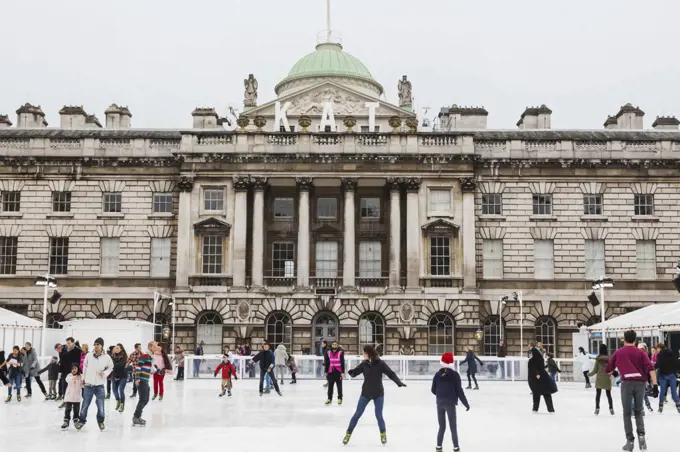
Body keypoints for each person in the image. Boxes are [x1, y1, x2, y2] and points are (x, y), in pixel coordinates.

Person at [605, 329, 658, 452]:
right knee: (639, 411)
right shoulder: (641, 353)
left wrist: (614, 374)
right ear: (635, 340)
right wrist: (655, 385)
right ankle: (641, 436)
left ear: (624, 339)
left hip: (627, 384)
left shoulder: (618, 353)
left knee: (627, 413)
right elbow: (651, 368)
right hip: (640, 384)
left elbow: (608, 369)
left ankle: (630, 441)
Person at [343, 345, 406, 446]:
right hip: (366, 393)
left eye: (364, 353)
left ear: (368, 353)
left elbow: (391, 373)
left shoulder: (380, 363)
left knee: (379, 415)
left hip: (378, 393)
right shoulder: (364, 364)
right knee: (357, 414)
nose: (363, 355)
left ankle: (383, 433)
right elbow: (355, 372)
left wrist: (398, 382)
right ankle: (348, 433)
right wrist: (350, 372)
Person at [432, 352, 469, 452]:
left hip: (439, 403)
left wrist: (440, 395)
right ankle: (456, 448)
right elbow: (459, 391)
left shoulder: (437, 374)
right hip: (450, 403)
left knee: (442, 427)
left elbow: (433, 389)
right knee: (453, 426)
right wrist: (466, 403)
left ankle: (438, 447)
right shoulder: (455, 375)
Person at [76, 337, 113, 431]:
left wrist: (104, 374)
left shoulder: (107, 357)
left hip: (99, 385)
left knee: (101, 406)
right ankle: (81, 421)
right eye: (95, 344)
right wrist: (84, 378)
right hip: (88, 385)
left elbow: (110, 367)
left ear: (102, 346)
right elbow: (84, 366)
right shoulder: (89, 355)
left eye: (98, 345)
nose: (96, 346)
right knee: (85, 405)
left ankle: (101, 422)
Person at [132, 341, 154, 426]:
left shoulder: (150, 357)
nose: (156, 349)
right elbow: (138, 367)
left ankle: (137, 416)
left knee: (146, 399)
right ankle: (136, 417)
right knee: (143, 399)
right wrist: (137, 378)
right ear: (149, 347)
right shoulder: (144, 356)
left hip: (145, 380)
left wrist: (162, 371)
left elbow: (153, 368)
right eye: (154, 347)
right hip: (141, 380)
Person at [654, 342, 680, 413]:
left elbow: (658, 364)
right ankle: (678, 405)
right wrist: (678, 371)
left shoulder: (660, 354)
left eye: (657, 349)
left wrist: (653, 367)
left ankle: (660, 406)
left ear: (660, 348)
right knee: (674, 392)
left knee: (662, 391)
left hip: (663, 375)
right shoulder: (672, 353)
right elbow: (677, 363)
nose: (656, 350)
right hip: (672, 375)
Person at [528, 348, 556, 413]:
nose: (530, 355)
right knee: (543, 394)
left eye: (531, 353)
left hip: (538, 379)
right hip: (542, 379)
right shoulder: (539, 359)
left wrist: (537, 374)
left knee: (540, 394)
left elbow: (535, 368)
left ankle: (536, 409)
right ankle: (549, 409)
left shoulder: (533, 360)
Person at [589, 343, 614, 415]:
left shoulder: (598, 359)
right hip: (607, 378)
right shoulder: (609, 359)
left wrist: (588, 374)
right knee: (609, 395)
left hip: (599, 379)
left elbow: (595, 370)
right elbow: (612, 369)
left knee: (598, 395)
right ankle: (611, 408)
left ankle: (597, 408)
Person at [58, 337, 81, 407]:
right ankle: (65, 401)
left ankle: (74, 402)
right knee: (64, 386)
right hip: (65, 371)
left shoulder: (77, 350)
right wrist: (60, 370)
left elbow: (78, 361)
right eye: (67, 343)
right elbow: (62, 360)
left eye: (69, 343)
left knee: (73, 387)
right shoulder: (64, 349)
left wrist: (76, 371)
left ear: (73, 342)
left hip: (73, 371)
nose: (67, 344)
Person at [61, 363, 84, 430]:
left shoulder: (80, 377)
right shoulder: (69, 375)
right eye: (72, 369)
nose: (73, 370)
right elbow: (68, 380)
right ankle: (66, 421)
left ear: (78, 369)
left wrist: (83, 378)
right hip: (69, 396)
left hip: (77, 397)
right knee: (67, 409)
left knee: (76, 410)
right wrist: (75, 377)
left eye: (75, 368)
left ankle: (76, 420)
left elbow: (83, 385)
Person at [324, 340, 345, 405]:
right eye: (333, 344)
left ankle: (340, 398)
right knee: (330, 386)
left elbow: (342, 362)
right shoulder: (328, 352)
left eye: (335, 344)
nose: (334, 345)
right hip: (330, 371)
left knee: (339, 386)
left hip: (338, 371)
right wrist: (326, 371)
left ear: (337, 345)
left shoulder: (340, 352)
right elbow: (327, 362)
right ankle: (329, 398)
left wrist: (343, 371)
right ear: (331, 345)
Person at [111, 344, 128, 412]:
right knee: (114, 390)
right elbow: (109, 365)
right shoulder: (112, 356)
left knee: (121, 390)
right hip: (114, 375)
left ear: (121, 349)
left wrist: (114, 365)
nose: (116, 349)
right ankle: (118, 401)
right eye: (115, 348)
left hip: (123, 375)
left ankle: (122, 404)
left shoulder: (124, 355)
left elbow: (121, 365)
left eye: (118, 348)